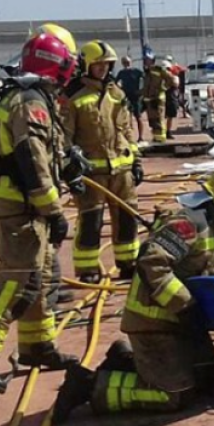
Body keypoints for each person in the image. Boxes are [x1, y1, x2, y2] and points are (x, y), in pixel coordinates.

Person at [51, 163, 214, 422]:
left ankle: (126, 358)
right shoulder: (188, 225)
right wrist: (185, 306)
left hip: (183, 324)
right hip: (154, 322)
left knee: (210, 379)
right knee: (174, 395)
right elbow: (151, 262)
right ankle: (89, 385)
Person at [0, 33, 82, 394]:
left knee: (37, 278)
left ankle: (37, 346)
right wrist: (53, 210)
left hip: (24, 205)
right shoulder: (29, 102)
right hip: (20, 207)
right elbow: (32, 161)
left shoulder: (23, 95)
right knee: (16, 282)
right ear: (57, 66)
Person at [63, 41, 143, 284]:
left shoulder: (116, 94)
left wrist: (136, 160)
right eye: (97, 64)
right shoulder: (73, 97)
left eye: (106, 64)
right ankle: (88, 270)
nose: (102, 69)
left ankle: (128, 264)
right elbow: (64, 136)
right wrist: (70, 167)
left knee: (128, 219)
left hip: (122, 171)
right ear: (86, 65)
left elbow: (126, 130)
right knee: (91, 222)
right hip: (92, 175)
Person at [141, 49, 176, 143]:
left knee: (159, 119)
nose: (146, 62)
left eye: (148, 60)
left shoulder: (159, 70)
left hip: (158, 99)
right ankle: (156, 137)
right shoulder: (146, 72)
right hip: (149, 100)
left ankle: (161, 138)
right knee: (152, 121)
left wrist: (163, 88)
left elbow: (171, 80)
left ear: (152, 60)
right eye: (145, 60)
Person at [115, 55, 145, 141]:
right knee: (126, 117)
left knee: (138, 117)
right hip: (126, 96)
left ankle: (141, 137)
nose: (126, 64)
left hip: (136, 96)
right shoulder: (121, 73)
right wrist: (119, 90)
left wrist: (142, 90)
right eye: (124, 63)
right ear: (122, 64)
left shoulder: (137, 71)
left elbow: (147, 79)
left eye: (128, 62)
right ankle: (128, 136)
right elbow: (115, 83)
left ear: (131, 62)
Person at [163, 56, 180, 139]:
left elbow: (176, 85)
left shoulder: (173, 76)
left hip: (169, 97)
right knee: (164, 116)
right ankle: (164, 132)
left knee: (170, 116)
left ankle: (167, 132)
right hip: (164, 98)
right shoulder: (161, 77)